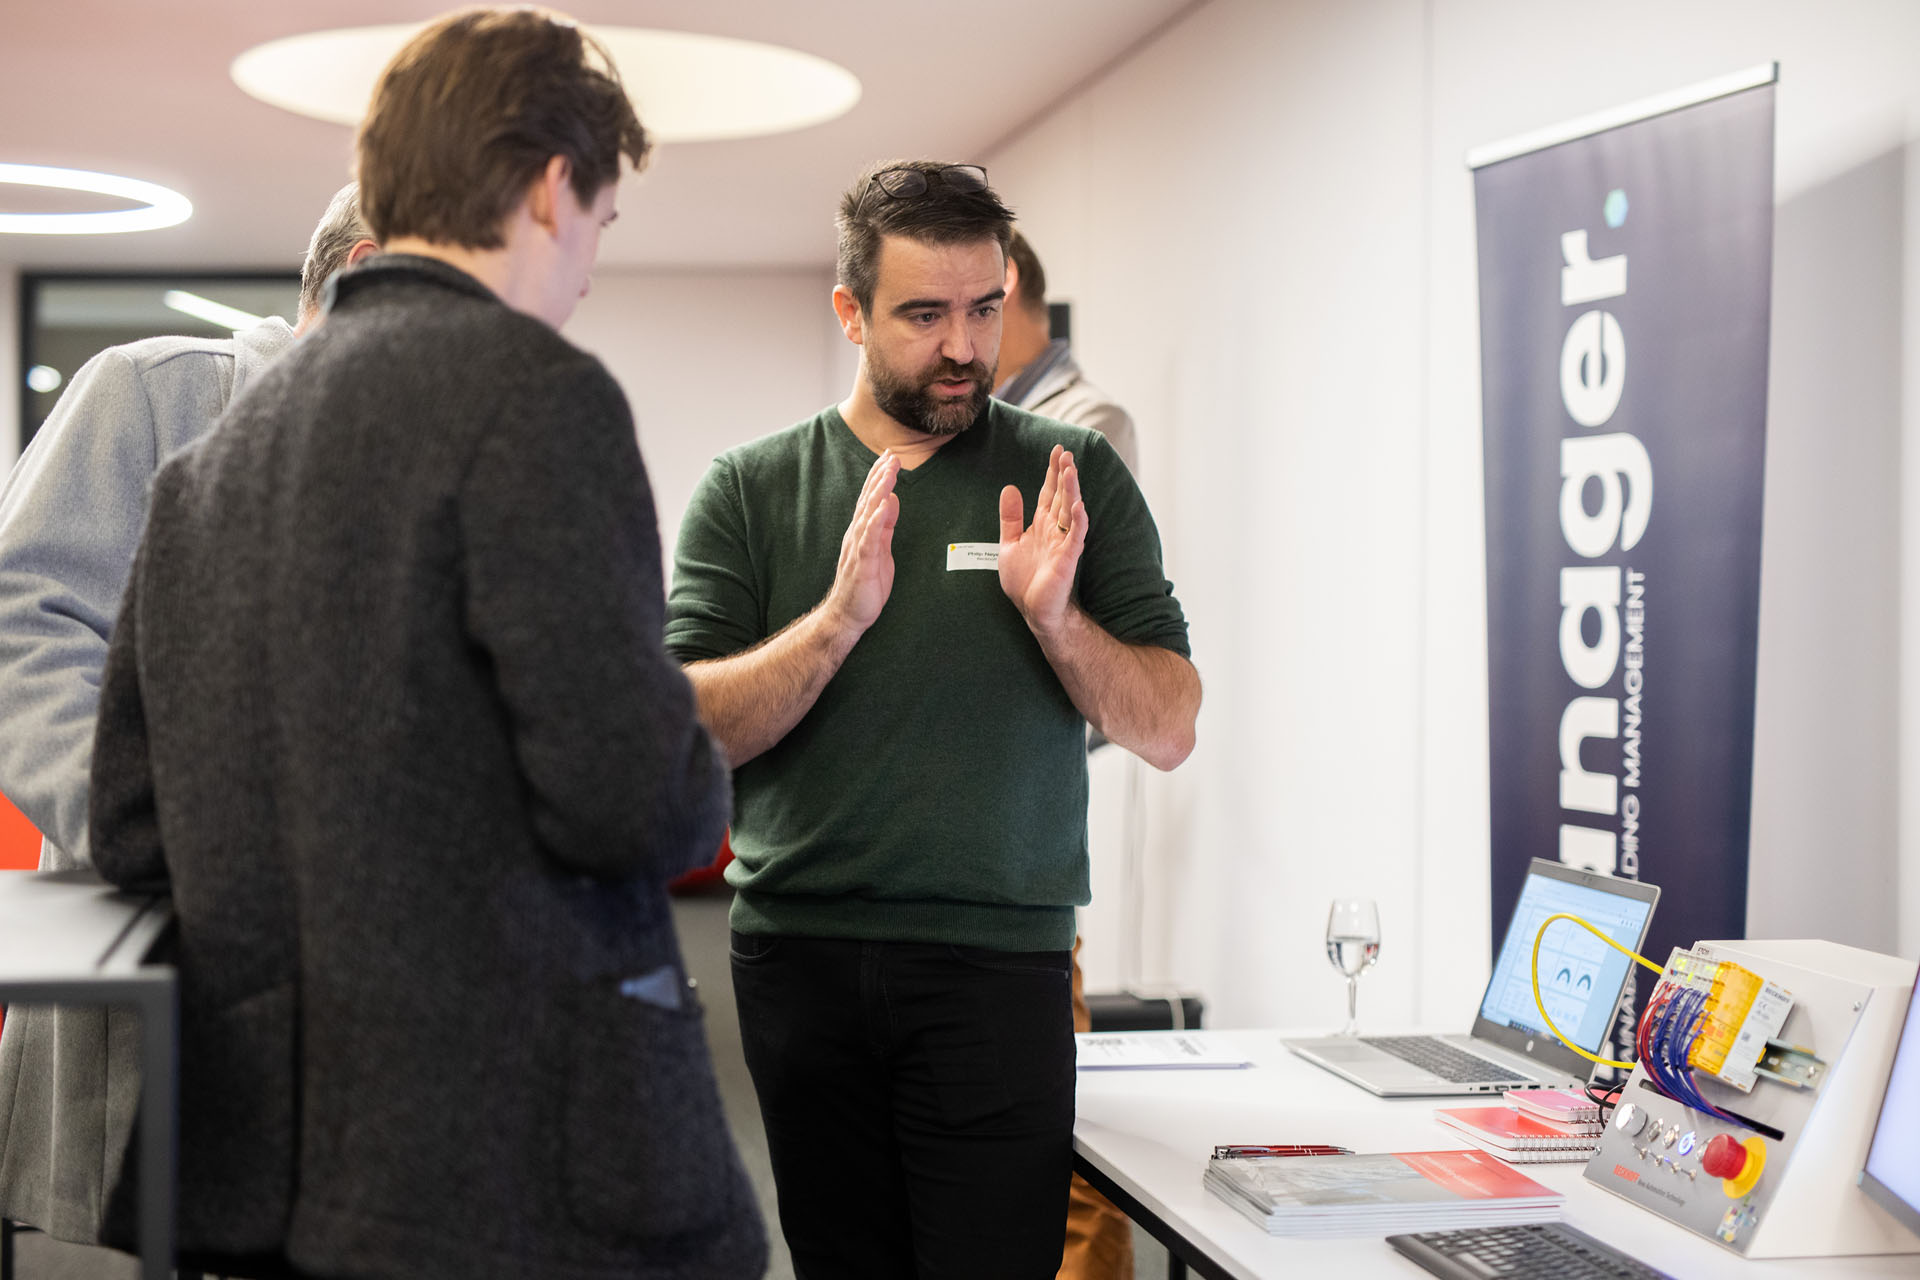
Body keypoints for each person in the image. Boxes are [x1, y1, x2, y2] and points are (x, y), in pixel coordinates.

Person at [88, 9, 765, 1278]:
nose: (587, 274)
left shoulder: (205, 467)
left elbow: (130, 825)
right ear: (554, 189)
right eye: (602, 229)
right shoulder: (537, 395)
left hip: (266, 1169)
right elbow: (634, 801)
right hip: (516, 1162)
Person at [666, 159, 1201, 1279]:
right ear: (850, 312)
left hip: (996, 965)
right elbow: (685, 731)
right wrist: (834, 622)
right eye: (924, 314)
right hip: (799, 962)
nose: (965, 347)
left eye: (984, 308)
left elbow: (1167, 724)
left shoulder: (1074, 470)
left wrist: (1058, 621)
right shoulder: (752, 488)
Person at [0, 183, 375, 1252]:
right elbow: (20, 629)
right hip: (163, 961)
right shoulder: (157, 393)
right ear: (362, 272)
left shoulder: (426, 457)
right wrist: (160, 834)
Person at [996, 228, 1141, 1280]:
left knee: (1068, 1129)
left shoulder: (1084, 426)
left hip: (1032, 815)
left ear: (1004, 297)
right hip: (983, 815)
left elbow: (1046, 588)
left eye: (961, 307)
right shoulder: (979, 432)